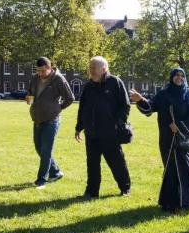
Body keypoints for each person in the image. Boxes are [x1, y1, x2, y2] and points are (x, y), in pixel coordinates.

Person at [130, 68, 189, 213]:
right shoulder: (164, 94)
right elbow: (150, 108)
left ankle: (187, 201)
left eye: (182, 76)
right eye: (176, 75)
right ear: (171, 77)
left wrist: (180, 127)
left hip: (183, 138)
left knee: (186, 167)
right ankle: (170, 202)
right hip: (167, 139)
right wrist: (141, 100)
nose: (179, 78)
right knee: (170, 168)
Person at [75, 56, 131, 199]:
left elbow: (125, 106)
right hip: (91, 132)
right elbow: (83, 108)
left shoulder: (115, 83)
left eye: (94, 68)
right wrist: (79, 127)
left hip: (110, 133)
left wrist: (117, 124)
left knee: (116, 161)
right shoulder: (88, 86)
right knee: (92, 163)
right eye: (90, 67)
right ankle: (91, 192)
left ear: (104, 69)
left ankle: (125, 188)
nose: (91, 70)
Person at [27, 57, 74, 188]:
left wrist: (58, 108)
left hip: (51, 120)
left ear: (49, 68)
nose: (40, 74)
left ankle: (41, 180)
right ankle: (56, 172)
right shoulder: (36, 78)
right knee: (39, 148)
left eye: (43, 71)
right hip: (37, 118)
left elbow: (70, 98)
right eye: (38, 71)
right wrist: (29, 99)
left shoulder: (58, 79)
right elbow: (30, 92)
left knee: (46, 151)